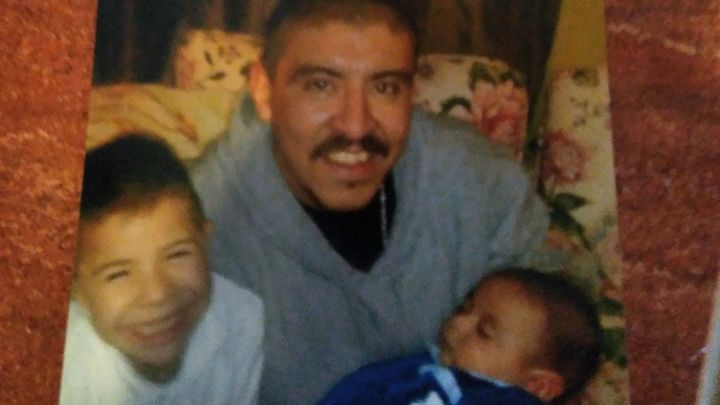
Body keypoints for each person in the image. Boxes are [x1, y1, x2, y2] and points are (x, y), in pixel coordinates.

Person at [191, 0, 550, 403]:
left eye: (385, 88)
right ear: (263, 89)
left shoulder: (483, 183)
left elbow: (559, 344)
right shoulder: (193, 225)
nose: (356, 126)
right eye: (321, 85)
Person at [59, 135, 264, 404]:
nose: (157, 294)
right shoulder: (66, 374)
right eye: (118, 274)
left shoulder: (242, 320)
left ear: (205, 242)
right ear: (76, 288)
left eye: (177, 255)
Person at [318, 268, 602, 404]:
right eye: (464, 308)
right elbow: (357, 389)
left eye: (484, 332)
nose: (458, 322)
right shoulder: (417, 369)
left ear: (537, 385)